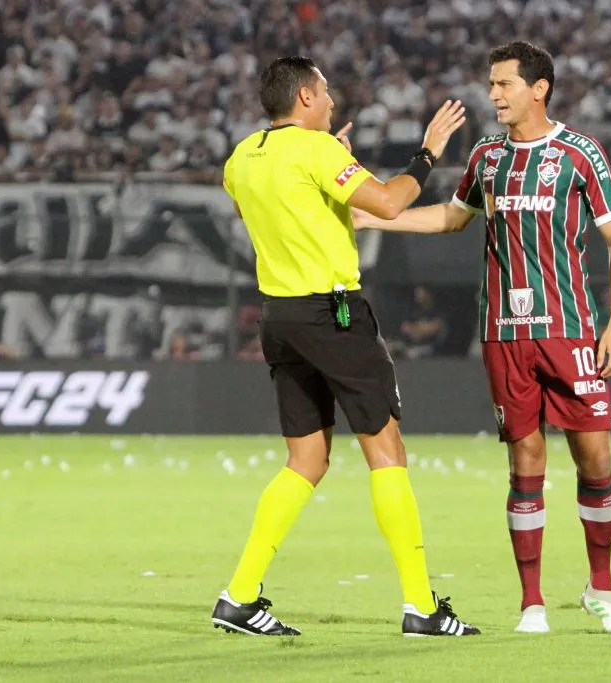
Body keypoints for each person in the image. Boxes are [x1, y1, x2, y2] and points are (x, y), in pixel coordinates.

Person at [355, 42, 611, 635]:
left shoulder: (579, 154)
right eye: (492, 84)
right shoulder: (486, 156)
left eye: (504, 84)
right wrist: (377, 215)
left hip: (570, 331)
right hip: (505, 336)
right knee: (525, 461)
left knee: (594, 457)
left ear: (540, 89)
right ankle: (531, 602)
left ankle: (602, 587)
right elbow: (450, 217)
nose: (493, 95)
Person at [212, 56, 479, 638]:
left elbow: (259, 210)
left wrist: (321, 170)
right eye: (326, 91)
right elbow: (388, 203)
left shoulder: (243, 157)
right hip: (331, 313)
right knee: (386, 449)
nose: (332, 100)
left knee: (306, 459)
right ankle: (420, 607)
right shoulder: (319, 151)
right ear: (305, 97)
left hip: (278, 317)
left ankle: (238, 596)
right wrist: (427, 152)